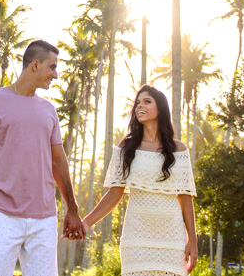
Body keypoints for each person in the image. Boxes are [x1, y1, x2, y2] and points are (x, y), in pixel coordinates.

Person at [0, 39, 85, 276]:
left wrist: (72, 207)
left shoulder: (49, 110)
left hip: (44, 220)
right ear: (34, 65)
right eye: (52, 67)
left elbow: (59, 161)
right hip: (0, 216)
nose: (56, 74)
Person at [83, 85, 198, 276]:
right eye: (137, 103)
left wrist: (192, 240)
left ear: (160, 108)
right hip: (136, 237)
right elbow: (114, 193)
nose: (139, 106)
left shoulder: (179, 150)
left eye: (146, 101)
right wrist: (86, 223)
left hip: (172, 238)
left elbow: (185, 198)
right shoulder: (126, 147)